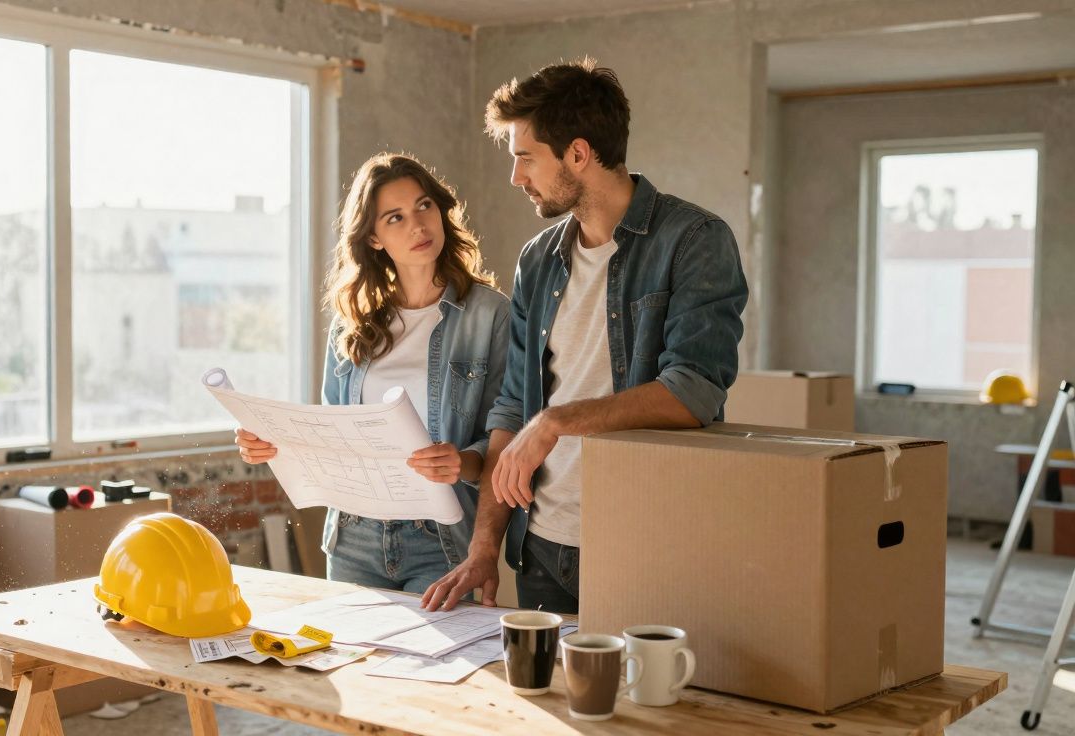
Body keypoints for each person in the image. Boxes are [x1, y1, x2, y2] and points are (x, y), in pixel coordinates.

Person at [421, 59, 748, 614]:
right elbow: (510, 410)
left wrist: (555, 422)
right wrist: (484, 549)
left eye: (526, 157)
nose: (516, 177)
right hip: (543, 549)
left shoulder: (694, 240)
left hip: (646, 546)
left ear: (578, 153)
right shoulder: (538, 259)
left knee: (640, 703)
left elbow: (693, 392)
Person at [235, 152, 509, 593]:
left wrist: (463, 462)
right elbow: (332, 431)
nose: (418, 226)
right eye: (395, 217)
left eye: (424, 206)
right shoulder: (353, 321)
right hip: (353, 538)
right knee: (350, 662)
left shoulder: (489, 314)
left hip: (439, 540)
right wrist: (273, 443)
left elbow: (504, 432)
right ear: (375, 238)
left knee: (437, 663)